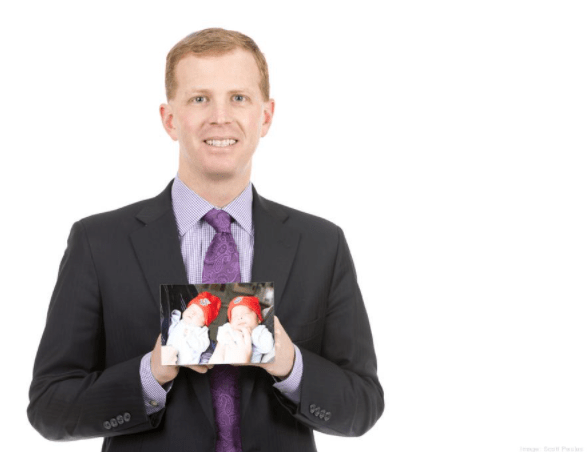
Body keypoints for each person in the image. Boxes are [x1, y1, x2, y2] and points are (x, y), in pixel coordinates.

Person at [28, 28, 384, 452]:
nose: (220, 117)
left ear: (265, 116)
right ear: (169, 118)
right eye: (200, 99)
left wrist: (289, 363)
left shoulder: (321, 245)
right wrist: (150, 373)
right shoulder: (98, 242)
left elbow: (363, 404)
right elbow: (49, 407)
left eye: (239, 98)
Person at [210, 295, 275, 364]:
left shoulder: (260, 330)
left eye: (246, 314)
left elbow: (267, 347)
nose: (240, 317)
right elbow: (220, 337)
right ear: (230, 322)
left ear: (258, 319)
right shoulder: (228, 328)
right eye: (235, 316)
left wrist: (251, 336)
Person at [165, 291, 221, 365]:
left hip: (185, 362)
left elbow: (202, 346)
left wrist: (190, 337)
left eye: (198, 314)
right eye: (191, 309)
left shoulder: (201, 331)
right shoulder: (180, 322)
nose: (192, 313)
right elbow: (170, 331)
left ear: (204, 323)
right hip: (168, 356)